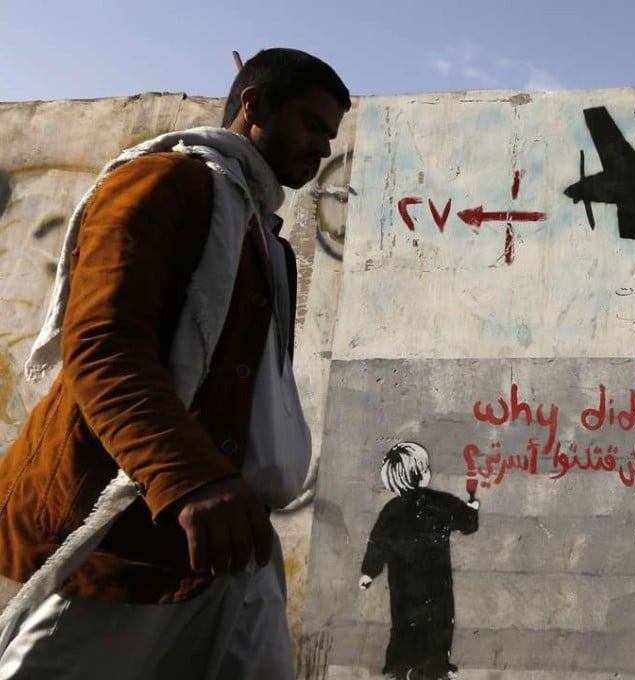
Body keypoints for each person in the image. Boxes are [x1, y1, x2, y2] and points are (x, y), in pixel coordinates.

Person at [0, 48, 350, 678]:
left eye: (331, 135)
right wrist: (191, 479)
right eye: (312, 124)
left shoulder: (260, 234)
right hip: (127, 537)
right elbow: (104, 346)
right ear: (255, 106)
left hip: (231, 542)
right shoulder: (165, 184)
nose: (322, 148)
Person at [359, 442, 480, 680]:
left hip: (404, 588)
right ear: (424, 474)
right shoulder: (441, 503)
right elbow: (467, 524)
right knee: (439, 626)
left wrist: (368, 573)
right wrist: (473, 507)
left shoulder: (392, 510)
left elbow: (378, 543)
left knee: (403, 628)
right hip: (437, 586)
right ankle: (436, 669)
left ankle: (400, 669)